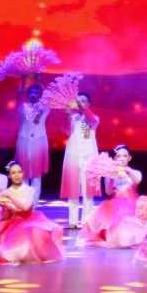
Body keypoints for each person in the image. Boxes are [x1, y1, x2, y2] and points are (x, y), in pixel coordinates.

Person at [0, 161, 65, 265]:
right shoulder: (4, 193)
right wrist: (3, 206)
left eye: (19, 172)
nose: (17, 175)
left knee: (34, 238)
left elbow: (25, 207)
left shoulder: (29, 190)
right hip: (12, 223)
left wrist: (9, 199)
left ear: (23, 173)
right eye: (13, 173)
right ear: (9, 175)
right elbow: (5, 216)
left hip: (29, 221)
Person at [76, 145, 147, 249]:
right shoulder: (110, 174)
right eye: (118, 156)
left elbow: (137, 181)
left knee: (134, 226)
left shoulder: (135, 172)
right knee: (114, 228)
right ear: (114, 158)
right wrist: (112, 179)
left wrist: (126, 170)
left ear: (129, 158)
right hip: (114, 204)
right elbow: (108, 192)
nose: (121, 158)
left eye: (124, 156)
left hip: (132, 204)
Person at [61, 92, 100, 229]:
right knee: (72, 189)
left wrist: (80, 106)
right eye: (78, 101)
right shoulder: (73, 118)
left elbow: (91, 120)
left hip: (89, 157)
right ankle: (72, 221)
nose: (79, 103)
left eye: (83, 101)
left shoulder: (94, 118)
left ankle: (86, 221)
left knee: (88, 190)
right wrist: (67, 114)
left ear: (88, 104)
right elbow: (65, 129)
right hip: (72, 156)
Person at [14, 76, 49, 204]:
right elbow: (18, 99)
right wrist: (23, 85)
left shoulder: (44, 108)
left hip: (39, 142)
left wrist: (40, 82)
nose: (34, 94)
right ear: (28, 95)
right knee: (23, 174)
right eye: (31, 92)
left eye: (36, 92)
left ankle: (33, 207)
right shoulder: (23, 107)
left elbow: (47, 98)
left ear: (39, 95)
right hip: (24, 142)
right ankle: (24, 205)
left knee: (36, 176)